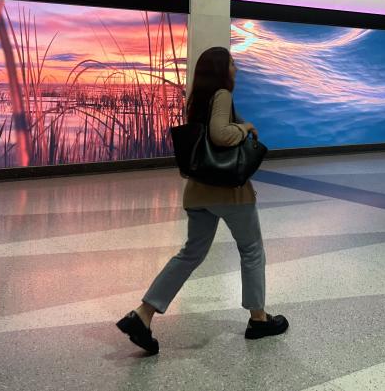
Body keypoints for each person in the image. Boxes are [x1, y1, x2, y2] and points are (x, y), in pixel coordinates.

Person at [116, 46, 288, 354]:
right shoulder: (222, 94)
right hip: (229, 193)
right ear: (221, 69)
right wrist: (245, 127)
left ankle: (143, 314)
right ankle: (259, 319)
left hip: (198, 193)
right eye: (232, 63)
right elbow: (220, 135)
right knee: (251, 250)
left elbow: (207, 135)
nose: (236, 68)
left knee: (190, 254)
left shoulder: (197, 99)